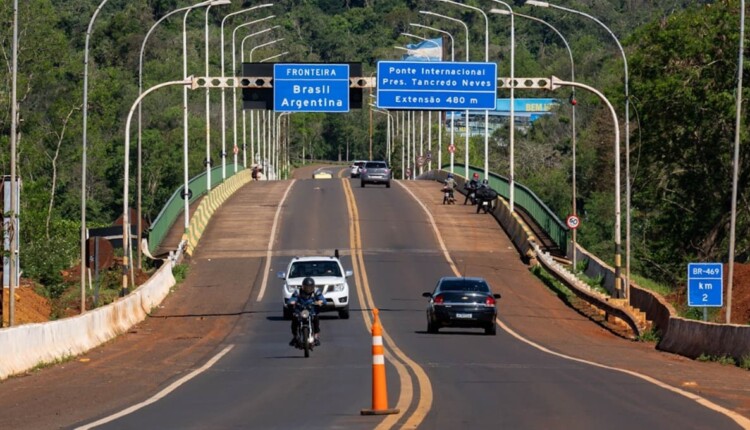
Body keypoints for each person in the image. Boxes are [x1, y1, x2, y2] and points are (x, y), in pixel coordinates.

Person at [288, 277, 325, 346]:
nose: (308, 289)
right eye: (306, 287)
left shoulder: (316, 291)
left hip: (312, 311)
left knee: (316, 318)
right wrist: (292, 302)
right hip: (300, 310)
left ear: (313, 287)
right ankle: (295, 336)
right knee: (294, 318)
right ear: (303, 286)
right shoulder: (298, 291)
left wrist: (320, 302)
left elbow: (323, 300)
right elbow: (292, 299)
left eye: (310, 287)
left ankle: (316, 336)